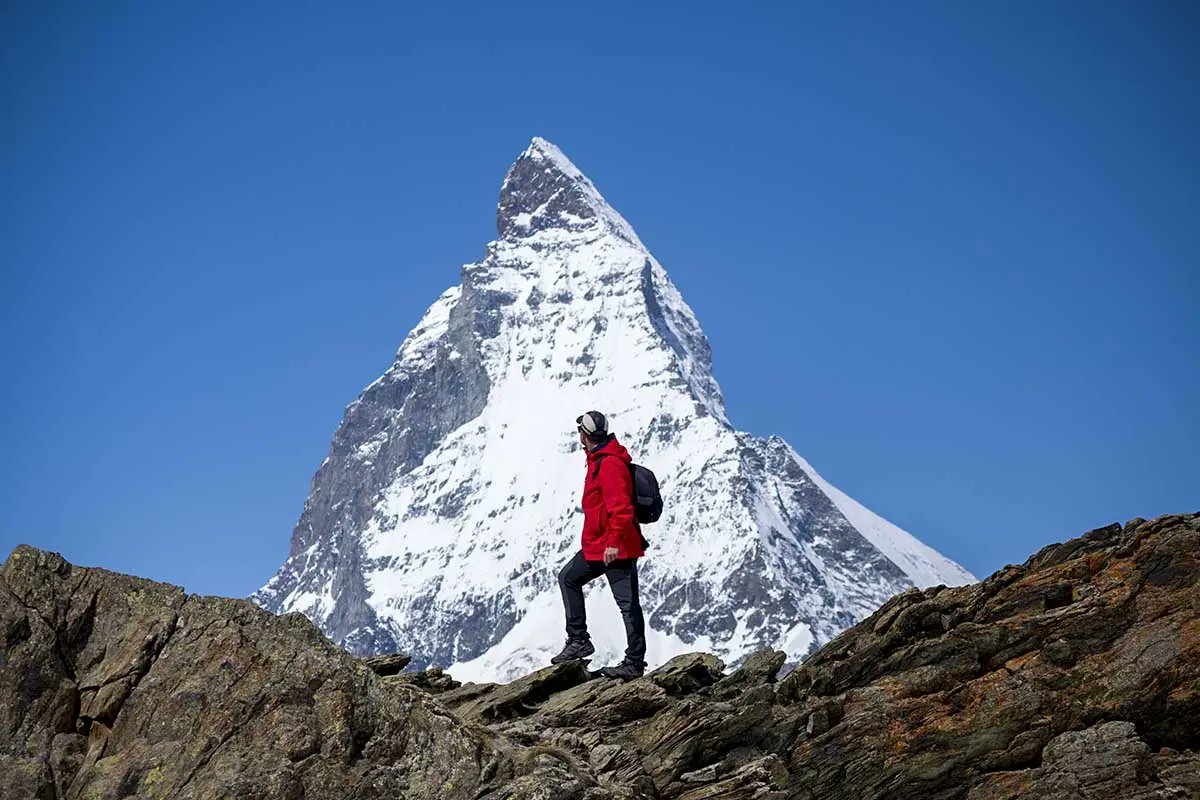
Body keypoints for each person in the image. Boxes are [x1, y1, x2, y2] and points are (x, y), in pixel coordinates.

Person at [550, 410, 647, 679]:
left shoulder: (609, 464)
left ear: (584, 434)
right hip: (599, 546)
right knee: (568, 577)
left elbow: (622, 509)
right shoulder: (597, 460)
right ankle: (579, 640)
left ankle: (635, 663)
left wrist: (614, 543)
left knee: (627, 604)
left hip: (617, 548)